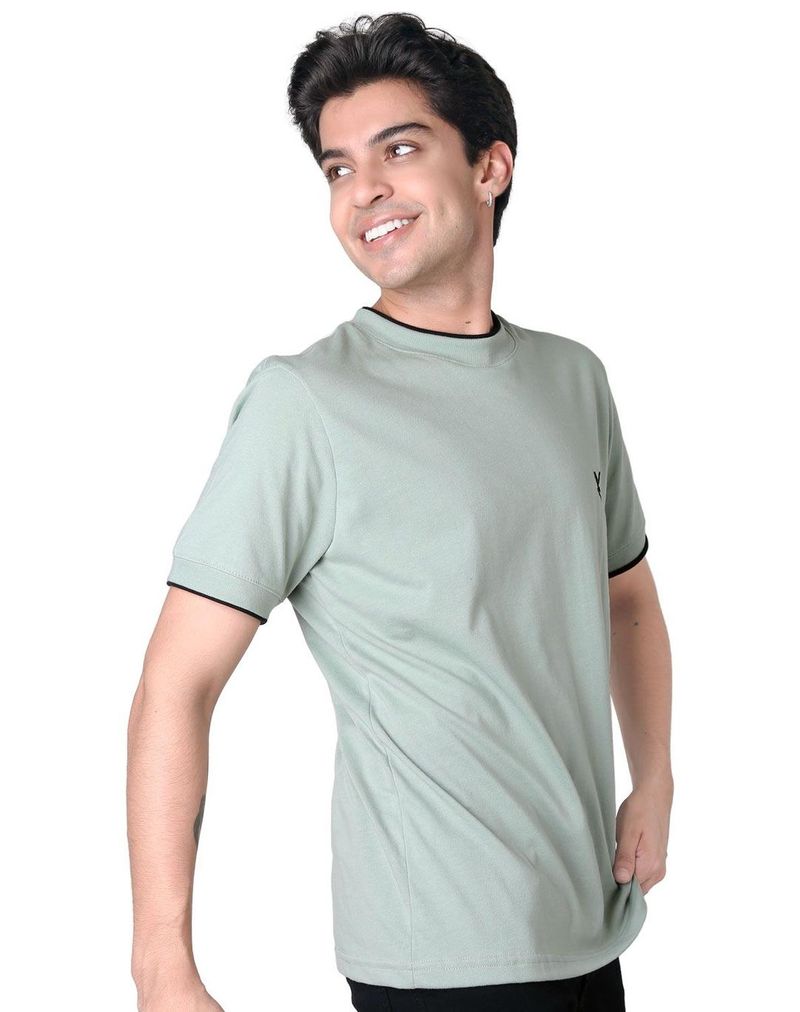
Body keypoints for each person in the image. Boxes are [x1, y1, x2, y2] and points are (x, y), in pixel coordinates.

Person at [127, 12, 673, 1012]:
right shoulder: (304, 403)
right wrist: (163, 962)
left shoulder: (572, 380)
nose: (362, 189)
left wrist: (655, 775)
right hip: (434, 955)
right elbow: (177, 681)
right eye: (337, 168)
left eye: (400, 150)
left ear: (489, 167)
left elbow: (626, 596)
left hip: (589, 922)